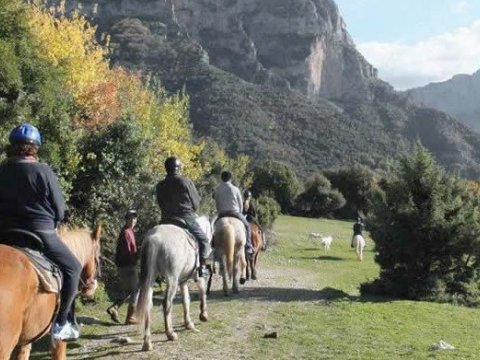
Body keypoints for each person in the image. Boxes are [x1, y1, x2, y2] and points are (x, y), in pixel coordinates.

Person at [0, 123, 82, 341]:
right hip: (40, 233)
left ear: (12, 146)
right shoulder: (43, 171)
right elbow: (60, 210)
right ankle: (62, 323)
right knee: (73, 267)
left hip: (4, 233)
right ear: (35, 147)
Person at [156, 157, 211, 277]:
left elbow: (159, 203)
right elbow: (196, 203)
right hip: (185, 218)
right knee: (204, 241)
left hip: (165, 219)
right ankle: (202, 268)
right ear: (178, 168)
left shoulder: (160, 185)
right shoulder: (185, 181)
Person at [107, 209, 140, 325]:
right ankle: (130, 317)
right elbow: (127, 252)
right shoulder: (126, 232)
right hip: (128, 265)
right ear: (126, 219)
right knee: (135, 290)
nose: (133, 220)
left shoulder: (129, 231)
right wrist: (134, 262)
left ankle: (114, 308)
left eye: (134, 218)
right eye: (130, 218)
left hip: (125, 265)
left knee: (128, 291)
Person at [214, 171, 254, 257]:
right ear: (230, 179)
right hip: (235, 212)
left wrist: (220, 211)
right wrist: (239, 212)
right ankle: (248, 246)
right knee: (247, 226)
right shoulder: (235, 189)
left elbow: (217, 203)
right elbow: (240, 204)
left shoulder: (217, 189)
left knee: (212, 226)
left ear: (222, 178)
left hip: (221, 214)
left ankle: (212, 244)